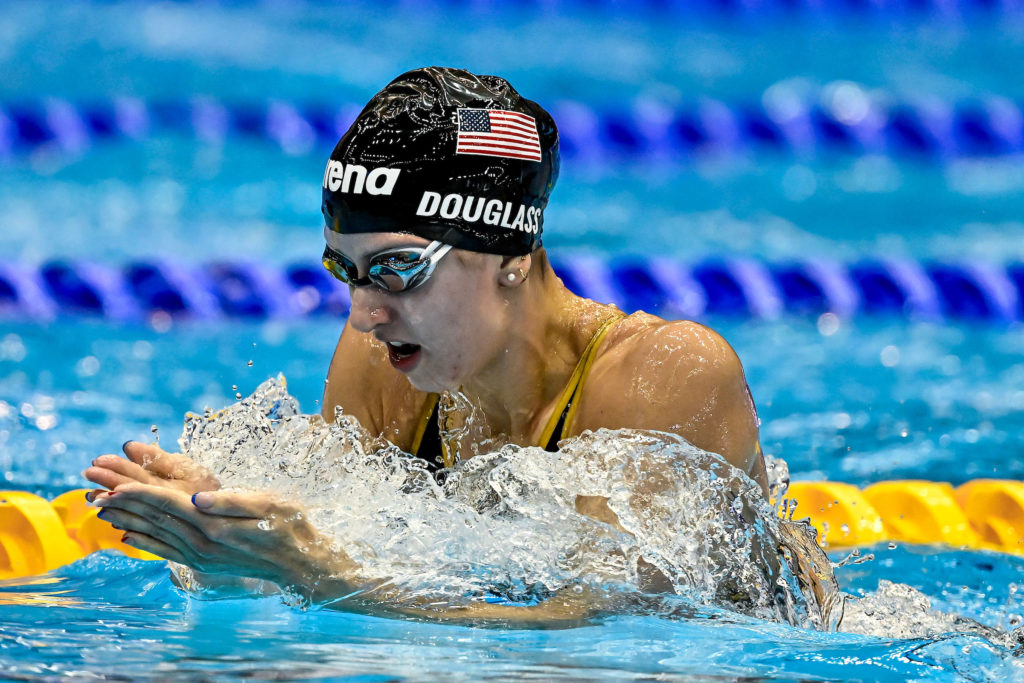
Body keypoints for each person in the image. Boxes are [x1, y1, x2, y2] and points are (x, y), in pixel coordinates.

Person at [85, 67, 775, 624]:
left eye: (397, 268)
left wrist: (312, 571)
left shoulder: (665, 374)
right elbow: (332, 564)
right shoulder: (387, 366)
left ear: (507, 249)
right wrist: (227, 542)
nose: (364, 315)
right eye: (346, 271)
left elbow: (594, 637)